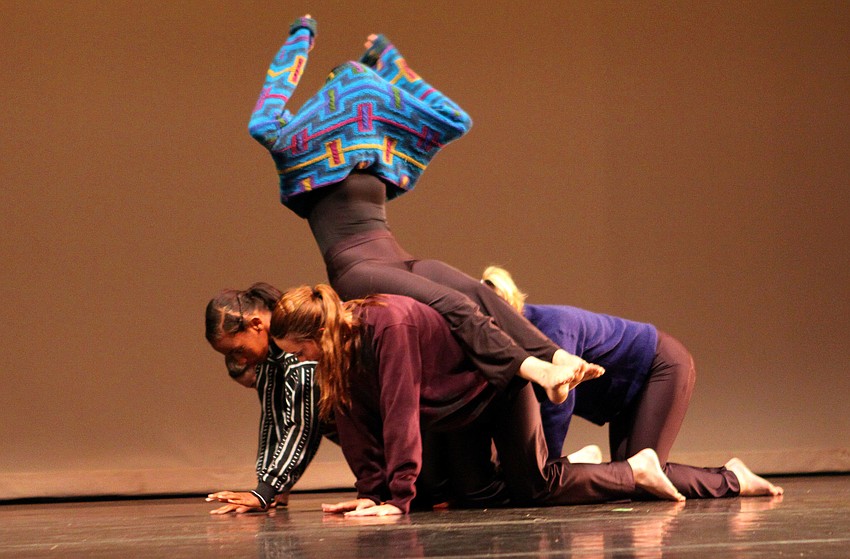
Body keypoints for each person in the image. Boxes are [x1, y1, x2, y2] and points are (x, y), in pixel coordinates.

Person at [248, 15, 602, 407]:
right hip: (356, 269)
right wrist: (301, 37)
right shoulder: (298, 148)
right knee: (454, 305)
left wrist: (389, 61)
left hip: (397, 257)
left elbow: (455, 119)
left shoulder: (372, 153)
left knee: (476, 293)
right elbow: (264, 114)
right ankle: (539, 372)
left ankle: (557, 356)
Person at [269, 283, 783, 517]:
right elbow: (358, 419)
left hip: (644, 374)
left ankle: (689, 475)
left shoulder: (543, 334)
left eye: (299, 351)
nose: (300, 362)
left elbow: (402, 409)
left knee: (543, 484)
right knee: (533, 487)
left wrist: (396, 500)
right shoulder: (343, 350)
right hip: (500, 401)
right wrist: (370, 492)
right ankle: (711, 475)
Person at [482, 265, 696, 465]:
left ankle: (728, 476)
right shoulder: (507, 346)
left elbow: (558, 406)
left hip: (659, 365)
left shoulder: (552, 329)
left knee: (643, 479)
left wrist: (547, 467)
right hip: (626, 395)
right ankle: (580, 460)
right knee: (628, 476)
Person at [203, 283, 330, 514]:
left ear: (256, 324)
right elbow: (274, 419)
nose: (239, 361)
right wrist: (269, 489)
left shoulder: (297, 350)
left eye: (237, 350)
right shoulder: (269, 359)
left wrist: (265, 491)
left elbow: (303, 425)